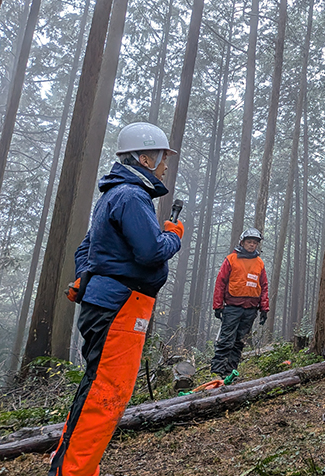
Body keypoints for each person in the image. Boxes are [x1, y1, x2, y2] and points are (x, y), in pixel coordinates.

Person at [49, 123, 182, 476]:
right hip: (120, 307)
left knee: (97, 389)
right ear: (143, 158)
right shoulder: (130, 196)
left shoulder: (115, 195)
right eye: (161, 158)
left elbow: (86, 248)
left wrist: (87, 278)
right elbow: (151, 251)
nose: (165, 166)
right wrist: (173, 235)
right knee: (106, 395)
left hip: (114, 304)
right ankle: (74, 472)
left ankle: (70, 467)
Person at [211, 228, 269, 378]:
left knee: (239, 342)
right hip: (232, 307)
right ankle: (217, 372)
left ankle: (230, 373)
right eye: (249, 242)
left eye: (255, 243)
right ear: (242, 242)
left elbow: (263, 286)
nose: (252, 245)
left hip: (250, 309)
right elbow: (220, 282)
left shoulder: (259, 263)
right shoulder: (231, 259)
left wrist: (264, 308)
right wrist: (218, 306)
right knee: (226, 340)